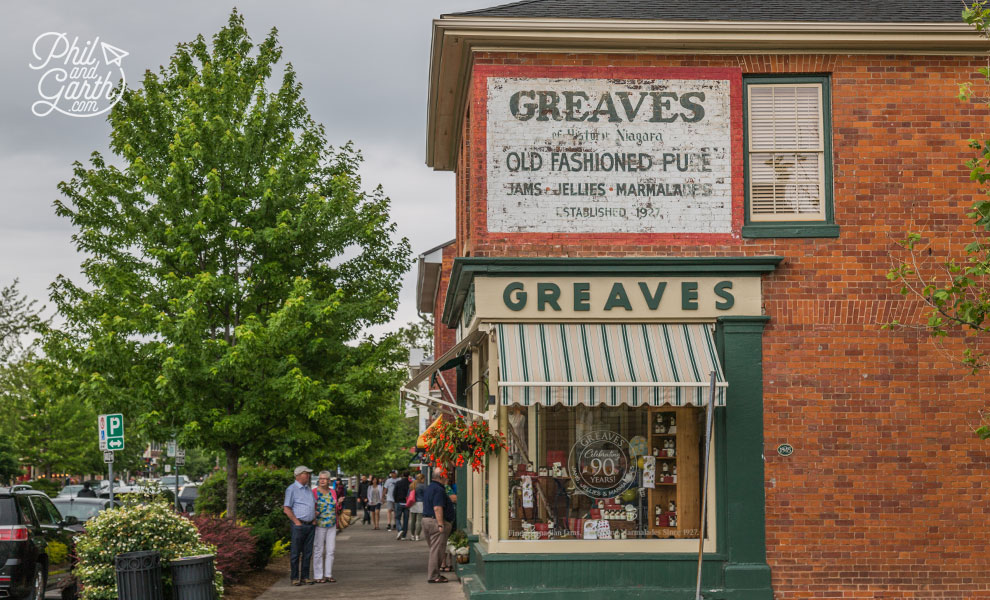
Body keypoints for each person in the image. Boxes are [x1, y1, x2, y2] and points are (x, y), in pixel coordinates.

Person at [283, 466, 316, 586]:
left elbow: (313, 505)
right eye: (306, 473)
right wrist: (297, 522)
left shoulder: (308, 489)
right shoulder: (291, 489)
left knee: (308, 553)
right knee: (296, 553)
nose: (308, 475)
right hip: (299, 525)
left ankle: (305, 576)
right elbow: (286, 508)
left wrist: (314, 519)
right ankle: (295, 577)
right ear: (298, 475)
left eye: (308, 474)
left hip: (310, 525)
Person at [423, 467, 455, 583]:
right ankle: (433, 576)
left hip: (427, 520)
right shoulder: (438, 489)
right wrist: (441, 524)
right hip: (435, 522)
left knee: (434, 550)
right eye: (446, 474)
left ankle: (434, 574)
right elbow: (437, 507)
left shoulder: (430, 487)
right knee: (437, 551)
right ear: (441, 476)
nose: (448, 477)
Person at [312, 471, 340, 583]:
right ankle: (318, 576)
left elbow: (335, 507)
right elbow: (311, 506)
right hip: (319, 525)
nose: (322, 480)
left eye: (324, 478)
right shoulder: (314, 492)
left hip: (332, 524)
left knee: (331, 550)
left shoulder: (332, 492)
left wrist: (338, 504)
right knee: (318, 550)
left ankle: (328, 574)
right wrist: (314, 514)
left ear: (329, 480)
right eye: (320, 478)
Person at [393, 470, 411, 540]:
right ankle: (404, 535)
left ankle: (400, 529)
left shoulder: (398, 483)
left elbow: (395, 492)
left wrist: (395, 500)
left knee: (397, 518)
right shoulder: (410, 483)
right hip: (407, 503)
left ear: (403, 475)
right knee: (406, 519)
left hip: (399, 502)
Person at [409, 473, 426, 541]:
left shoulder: (412, 485)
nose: (424, 480)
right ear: (421, 479)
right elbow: (426, 495)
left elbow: (408, 495)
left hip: (413, 503)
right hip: (420, 503)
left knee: (413, 520)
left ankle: (412, 535)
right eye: (423, 478)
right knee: (419, 520)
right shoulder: (422, 486)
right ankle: (417, 535)